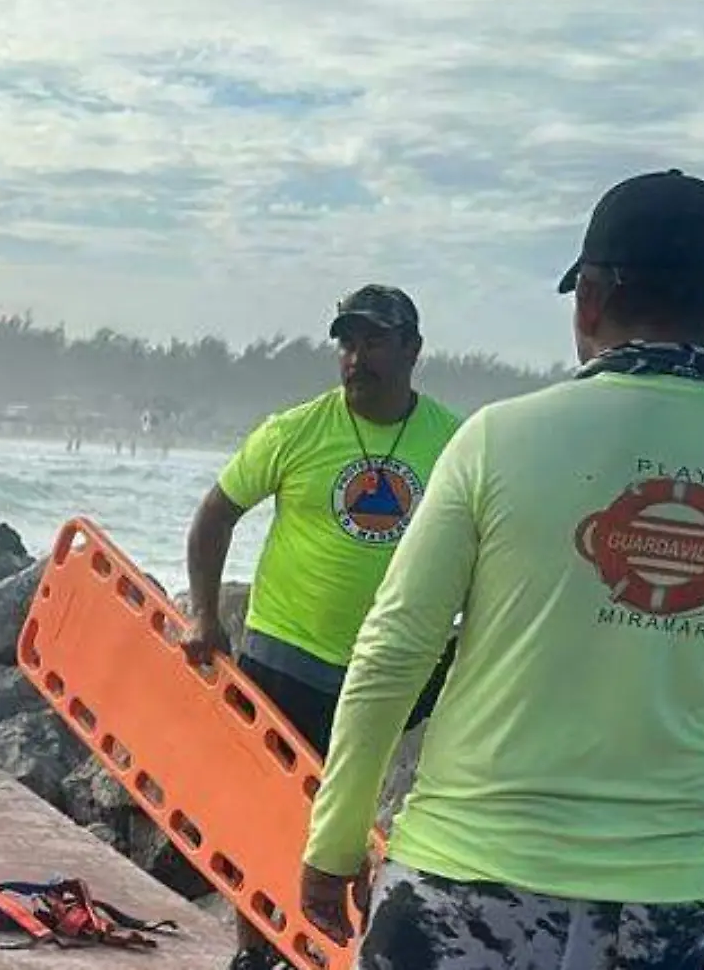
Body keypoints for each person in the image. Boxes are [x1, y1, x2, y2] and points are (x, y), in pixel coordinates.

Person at [299, 169, 704, 969]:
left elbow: (395, 648)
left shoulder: (497, 441)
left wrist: (338, 833)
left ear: (588, 299)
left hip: (463, 883)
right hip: (660, 909)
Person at [182, 283, 466, 970]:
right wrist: (204, 613)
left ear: (411, 349)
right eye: (346, 341)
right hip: (287, 651)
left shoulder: (454, 443)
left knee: (351, 809)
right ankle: (255, 950)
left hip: (395, 666)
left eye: (373, 340)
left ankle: (337, 944)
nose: (354, 356)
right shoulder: (296, 430)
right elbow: (216, 513)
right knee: (265, 805)